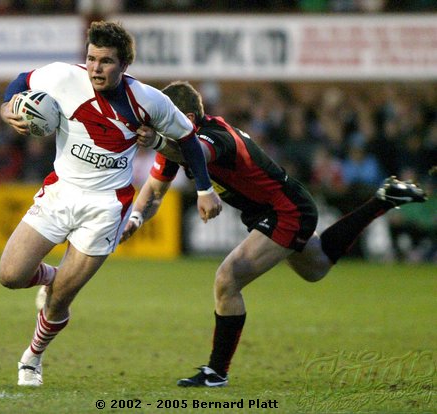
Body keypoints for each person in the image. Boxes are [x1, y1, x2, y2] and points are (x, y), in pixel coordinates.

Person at [121, 81, 428, 387]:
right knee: (317, 267)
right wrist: (134, 219)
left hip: (286, 209)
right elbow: (155, 192)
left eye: (163, 117)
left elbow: (196, 153)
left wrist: (158, 142)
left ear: (187, 118)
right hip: (272, 210)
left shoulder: (215, 137)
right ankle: (383, 200)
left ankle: (216, 372)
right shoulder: (177, 144)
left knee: (228, 279)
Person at [0, 22, 222, 387]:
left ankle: (32, 359)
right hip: (61, 192)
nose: (95, 68)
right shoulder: (63, 77)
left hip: (106, 207)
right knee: (10, 275)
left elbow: (188, 139)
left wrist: (204, 189)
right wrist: (7, 107)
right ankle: (54, 276)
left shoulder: (149, 101)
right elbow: (22, 80)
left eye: (105, 61)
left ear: (124, 65)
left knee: (59, 300)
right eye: (91, 58)